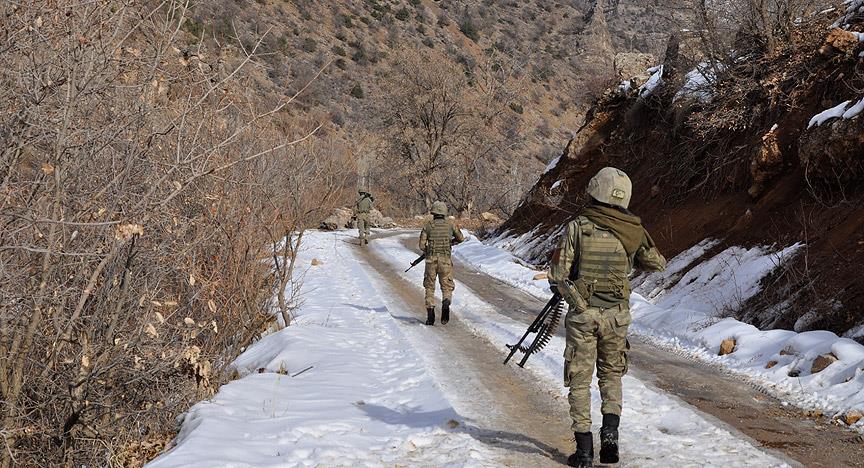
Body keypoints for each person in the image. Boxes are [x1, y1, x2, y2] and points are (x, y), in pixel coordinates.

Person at [547, 167, 666, 467]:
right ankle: (610, 437)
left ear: (595, 190)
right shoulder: (633, 229)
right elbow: (657, 263)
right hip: (617, 318)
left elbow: (558, 275)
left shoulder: (578, 226)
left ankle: (585, 451)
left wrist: (578, 302)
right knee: (611, 375)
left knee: (579, 380)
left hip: (584, 318)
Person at [418, 201, 464, 326]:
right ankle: (446, 302)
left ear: (433, 212)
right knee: (447, 286)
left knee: (429, 287)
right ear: (444, 212)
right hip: (445, 261)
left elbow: (421, 245)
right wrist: (450, 243)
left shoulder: (428, 225)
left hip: (430, 261)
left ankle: (430, 314)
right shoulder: (450, 225)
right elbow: (461, 238)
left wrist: (429, 250)